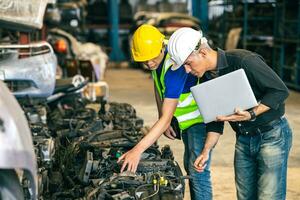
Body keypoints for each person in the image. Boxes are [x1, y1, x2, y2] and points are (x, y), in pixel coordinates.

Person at [167, 27, 293, 200]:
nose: (187, 71)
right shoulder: (205, 77)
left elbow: (280, 91)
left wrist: (252, 114)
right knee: (245, 196)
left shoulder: (244, 61)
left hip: (272, 135)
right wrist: (205, 151)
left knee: (269, 196)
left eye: (188, 63)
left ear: (202, 52)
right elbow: (215, 119)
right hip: (243, 139)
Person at [117, 24, 213, 200]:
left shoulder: (175, 66)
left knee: (198, 171)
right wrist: (163, 115)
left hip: (199, 120)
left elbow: (166, 117)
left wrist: (137, 150)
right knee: (189, 163)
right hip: (185, 120)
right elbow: (157, 83)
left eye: (152, 58)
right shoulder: (157, 56)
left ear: (162, 46)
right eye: (144, 61)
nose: (149, 63)